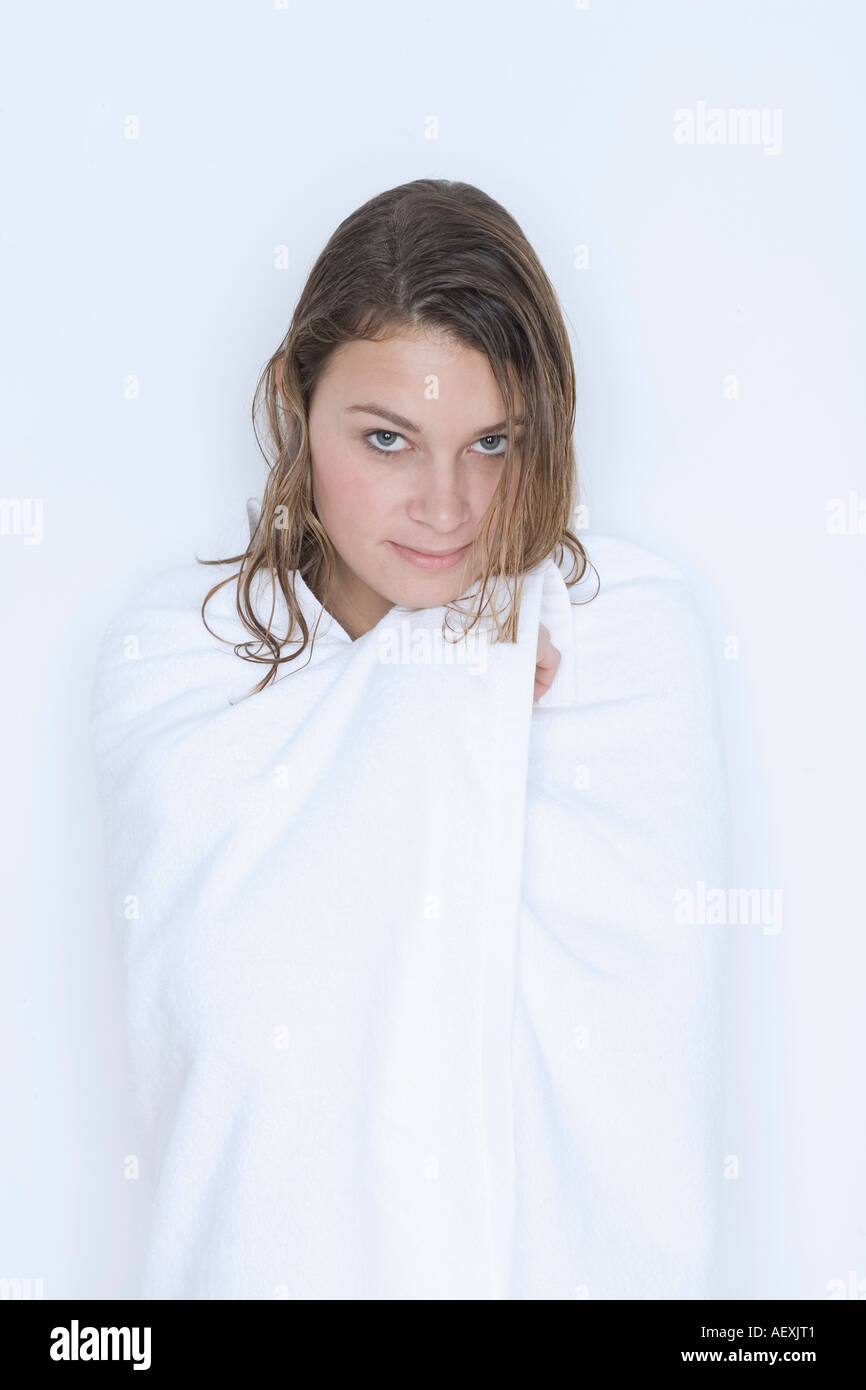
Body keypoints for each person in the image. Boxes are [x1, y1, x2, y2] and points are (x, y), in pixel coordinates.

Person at [89, 178, 729, 1300]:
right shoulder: (183, 652)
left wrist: (449, 688)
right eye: (386, 439)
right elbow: (224, 1011)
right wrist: (455, 689)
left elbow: (642, 1063)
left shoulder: (619, 632)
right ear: (295, 401)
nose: (446, 509)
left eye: (492, 443)